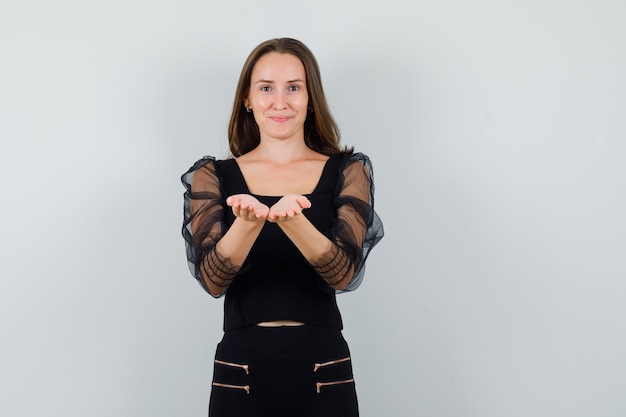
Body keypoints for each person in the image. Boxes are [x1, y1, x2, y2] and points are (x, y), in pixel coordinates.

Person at [181, 37, 384, 417]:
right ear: (247, 98)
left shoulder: (347, 171)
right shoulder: (214, 177)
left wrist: (293, 222)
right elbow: (212, 281)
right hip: (242, 365)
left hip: (322, 362)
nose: (280, 102)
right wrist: (247, 223)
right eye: (266, 88)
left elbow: (344, 274)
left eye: (294, 87)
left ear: (310, 97)